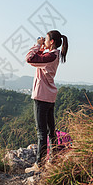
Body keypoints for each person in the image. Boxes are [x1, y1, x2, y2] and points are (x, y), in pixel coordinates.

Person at [25, 30, 68, 172]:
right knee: (51, 131)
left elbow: (30, 58)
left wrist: (37, 45)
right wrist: (42, 46)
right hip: (49, 97)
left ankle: (39, 164)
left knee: (41, 132)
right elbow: (39, 58)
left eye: (46, 39)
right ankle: (52, 160)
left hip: (42, 97)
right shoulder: (53, 55)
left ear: (52, 42)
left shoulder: (50, 55)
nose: (44, 40)